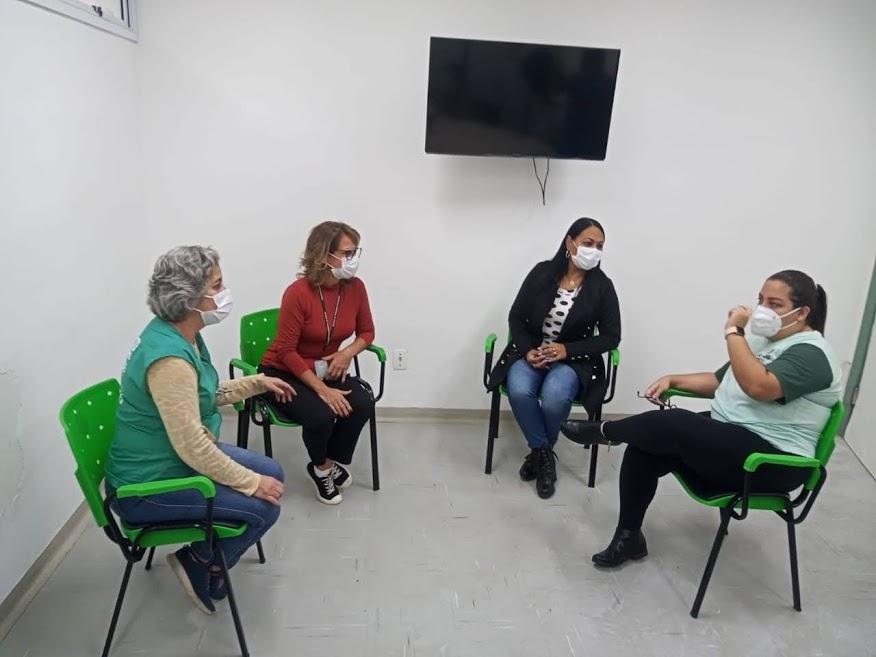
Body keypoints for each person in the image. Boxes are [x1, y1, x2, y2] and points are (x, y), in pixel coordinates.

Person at [561, 270, 841, 568]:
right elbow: (722, 381)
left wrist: (734, 332)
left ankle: (606, 431)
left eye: (775, 304)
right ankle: (629, 536)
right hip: (734, 441)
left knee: (674, 423)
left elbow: (758, 387)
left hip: (771, 461)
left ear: (803, 312)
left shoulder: (813, 354)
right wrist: (673, 379)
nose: (762, 310)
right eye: (760, 300)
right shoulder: (766, 341)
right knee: (645, 447)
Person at [105, 246, 294, 614]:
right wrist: (249, 483)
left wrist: (258, 382)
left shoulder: (181, 334)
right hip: (146, 486)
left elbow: (202, 395)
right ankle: (199, 561)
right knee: (264, 506)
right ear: (189, 297)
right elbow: (191, 444)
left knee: (273, 472)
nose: (224, 293)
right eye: (217, 285)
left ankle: (204, 553)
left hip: (170, 460)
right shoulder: (169, 359)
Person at [487, 218, 621, 499]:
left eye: (599, 246)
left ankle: (539, 454)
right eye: (588, 244)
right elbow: (516, 316)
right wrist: (527, 350)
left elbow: (611, 337)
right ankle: (544, 453)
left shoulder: (602, 287)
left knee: (554, 396)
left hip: (574, 361)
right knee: (519, 390)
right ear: (569, 243)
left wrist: (566, 350)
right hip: (532, 354)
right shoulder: (542, 273)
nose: (594, 251)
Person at [259, 221, 376, 505]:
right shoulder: (297, 293)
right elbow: (286, 351)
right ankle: (322, 469)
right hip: (281, 372)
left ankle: (328, 461)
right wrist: (324, 391)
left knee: (362, 401)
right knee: (322, 414)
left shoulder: (356, 288)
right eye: (347, 253)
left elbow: (367, 332)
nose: (353, 260)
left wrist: (347, 354)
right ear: (324, 255)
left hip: (323, 368)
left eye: (355, 252)